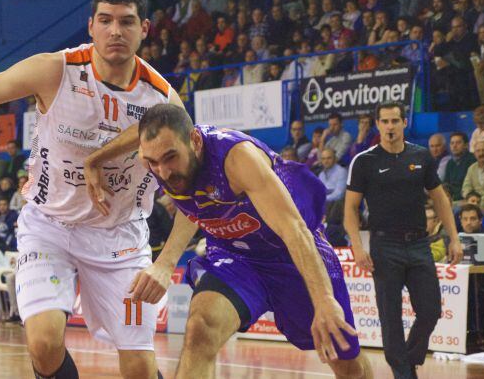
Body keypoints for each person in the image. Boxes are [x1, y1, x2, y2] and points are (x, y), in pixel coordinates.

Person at [0, 0, 183, 379]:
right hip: (49, 227)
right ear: (91, 25)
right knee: (44, 345)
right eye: (106, 19)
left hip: (120, 239)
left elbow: (193, 193)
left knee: (138, 367)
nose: (116, 30)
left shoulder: (163, 99)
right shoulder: (55, 71)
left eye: (127, 21)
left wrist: (167, 263)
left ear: (144, 29)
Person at [122, 104, 371, 378]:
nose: (164, 172)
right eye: (153, 162)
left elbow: (294, 230)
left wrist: (324, 300)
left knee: (347, 363)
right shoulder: (161, 163)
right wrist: (166, 263)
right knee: (201, 328)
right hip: (236, 257)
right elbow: (190, 203)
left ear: (193, 140)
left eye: (170, 158)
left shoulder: (236, 158)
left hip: (290, 253)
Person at [344, 101, 462, 379]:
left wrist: (454, 238)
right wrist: (357, 246)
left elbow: (440, 200)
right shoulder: (364, 161)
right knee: (390, 316)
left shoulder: (421, 156)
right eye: (384, 122)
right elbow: (350, 207)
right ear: (377, 124)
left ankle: (409, 359)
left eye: (395, 121)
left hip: (420, 244)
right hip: (385, 246)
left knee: (431, 310)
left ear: (404, 122)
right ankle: (402, 373)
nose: (390, 127)